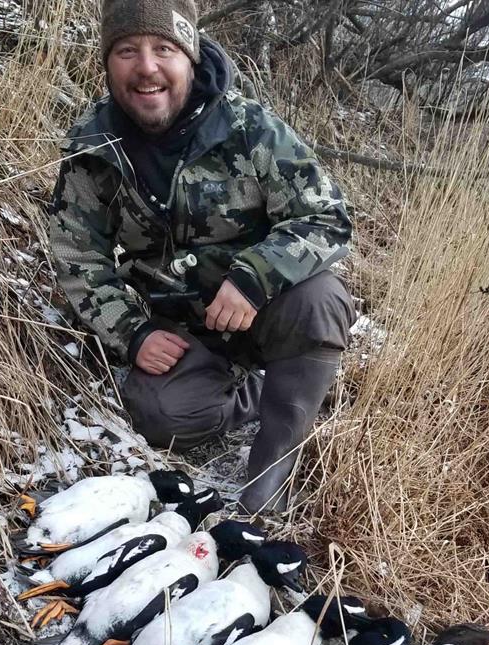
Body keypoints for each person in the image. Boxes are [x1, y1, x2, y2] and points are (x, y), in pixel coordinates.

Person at [49, 0, 355, 513]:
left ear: (189, 56)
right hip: (181, 329)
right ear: (107, 62)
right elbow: (77, 257)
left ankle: (271, 478)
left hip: (261, 313)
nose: (146, 67)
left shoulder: (250, 128)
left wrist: (255, 277)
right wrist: (133, 333)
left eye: (163, 49)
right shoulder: (93, 147)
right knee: (159, 415)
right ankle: (255, 393)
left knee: (319, 299)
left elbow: (327, 218)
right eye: (127, 51)